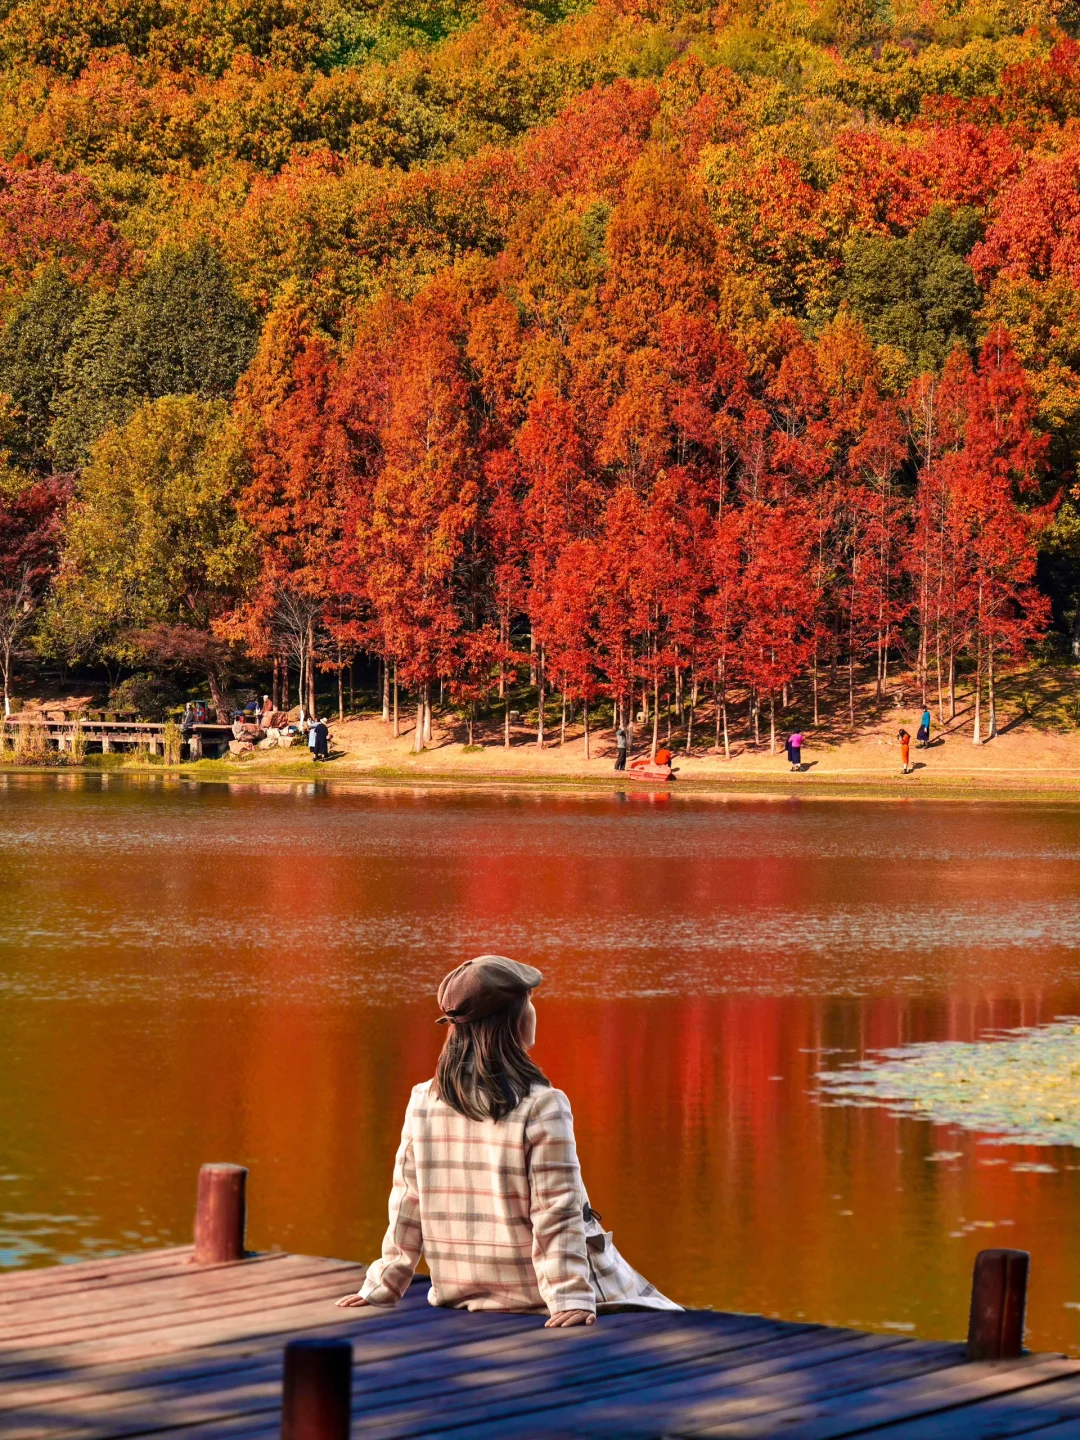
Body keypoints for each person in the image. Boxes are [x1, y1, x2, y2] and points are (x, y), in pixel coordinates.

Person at [336, 956, 680, 1324]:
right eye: (529, 1001)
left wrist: (382, 1284)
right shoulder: (543, 1104)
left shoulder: (423, 1099)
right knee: (670, 1313)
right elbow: (556, 1211)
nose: (533, 1011)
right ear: (514, 1020)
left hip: (456, 1290)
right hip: (539, 1291)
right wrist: (569, 1298)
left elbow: (408, 1203)